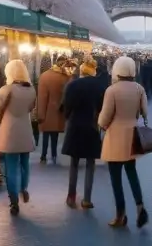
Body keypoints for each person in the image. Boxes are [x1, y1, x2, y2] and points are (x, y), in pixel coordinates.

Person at [99, 56, 150, 229]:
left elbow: (104, 118)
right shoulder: (139, 89)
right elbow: (145, 112)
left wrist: (102, 124)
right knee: (131, 172)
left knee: (115, 178)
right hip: (132, 135)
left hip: (115, 136)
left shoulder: (111, 90)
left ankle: (120, 215)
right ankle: (140, 207)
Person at [0, 59, 37, 215]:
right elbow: (31, 108)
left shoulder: (5, 90)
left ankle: (13, 201)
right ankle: (23, 188)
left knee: (11, 166)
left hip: (8, 131)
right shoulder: (31, 90)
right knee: (25, 163)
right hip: (25, 130)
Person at [61, 59, 106, 209]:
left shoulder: (72, 85)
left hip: (75, 125)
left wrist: (69, 117)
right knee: (90, 163)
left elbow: (66, 107)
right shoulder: (100, 86)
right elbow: (102, 108)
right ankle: (87, 199)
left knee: (74, 163)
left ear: (81, 70)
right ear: (93, 70)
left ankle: (71, 196)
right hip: (92, 126)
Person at [37, 58, 69, 164]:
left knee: (45, 135)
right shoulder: (66, 77)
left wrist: (40, 114)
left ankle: (43, 155)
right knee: (54, 135)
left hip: (47, 112)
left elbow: (42, 97)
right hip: (58, 112)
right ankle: (54, 155)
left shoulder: (45, 76)